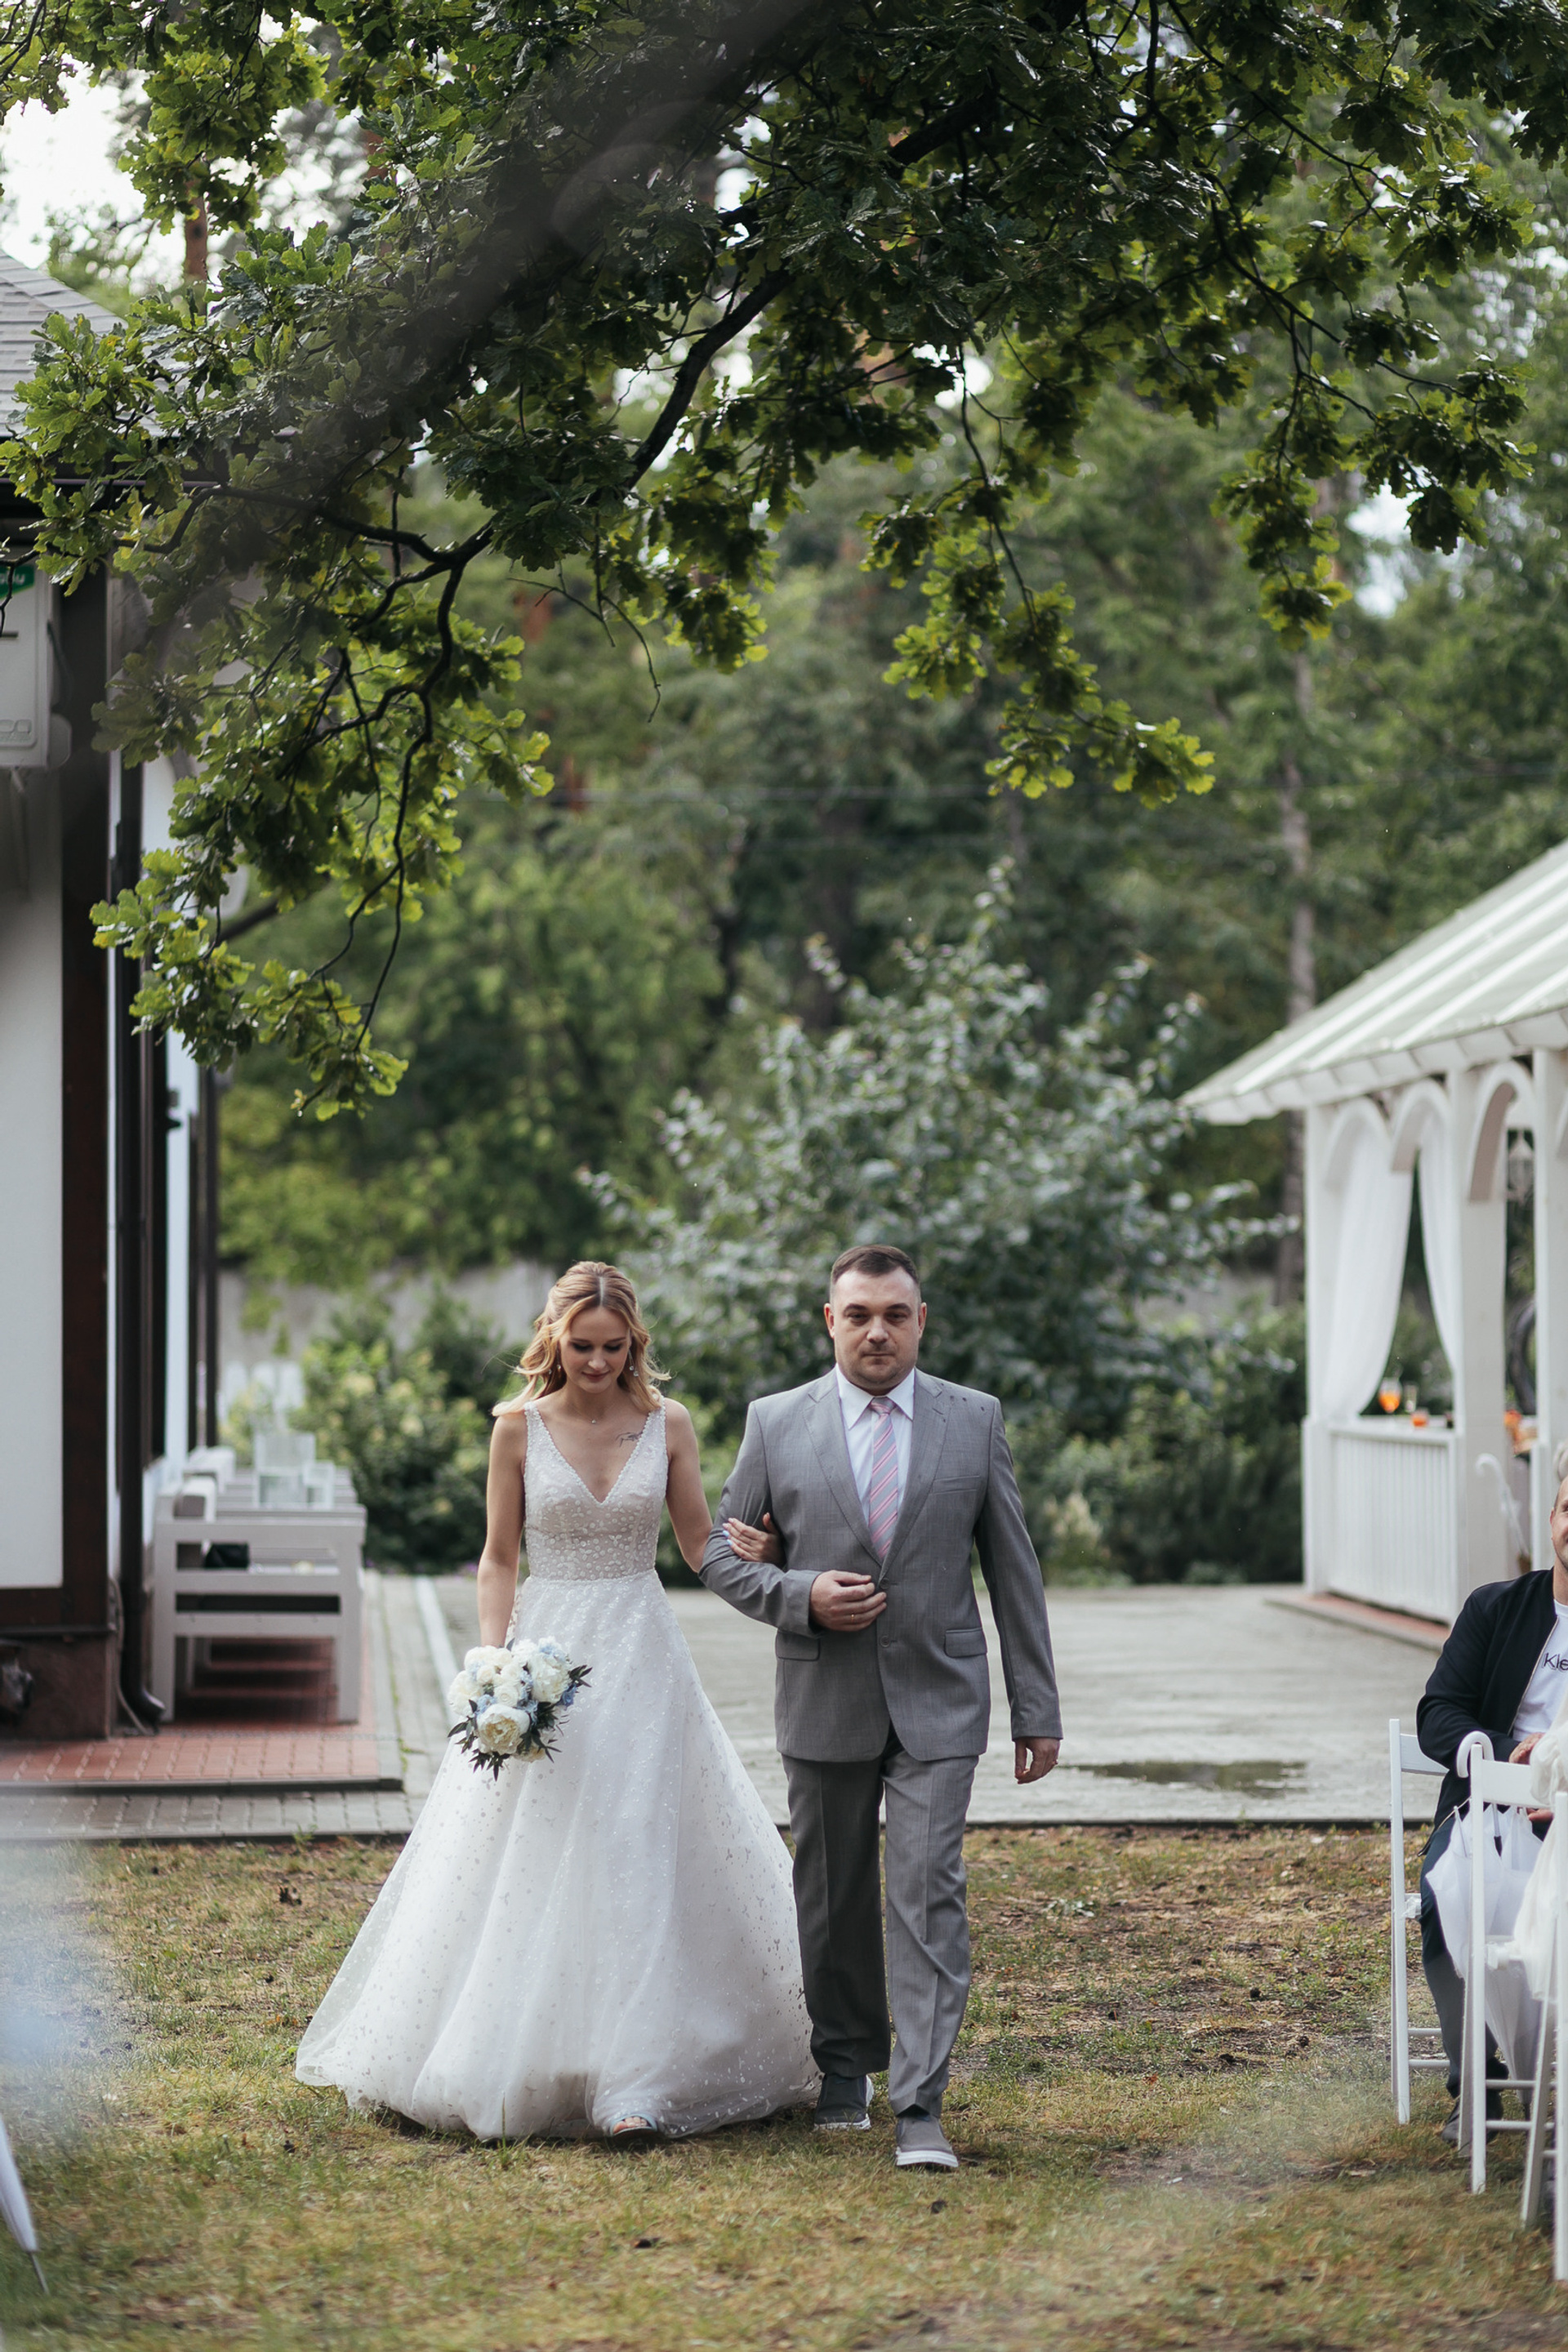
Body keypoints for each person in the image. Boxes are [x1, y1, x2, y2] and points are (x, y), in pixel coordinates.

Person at [296, 1261, 817, 2142]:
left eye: (614, 1348)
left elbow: (698, 1546)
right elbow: (499, 1556)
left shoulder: (670, 1424)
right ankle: (516, 2047)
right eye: (582, 1346)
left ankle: (639, 2080)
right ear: (555, 1340)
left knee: (641, 1839)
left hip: (644, 1652)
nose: (598, 1362)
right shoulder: (517, 1428)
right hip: (547, 1649)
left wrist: (765, 1555)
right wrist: (495, 1663)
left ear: (634, 1344)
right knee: (536, 1841)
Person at [702, 1243, 1062, 2172]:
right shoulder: (776, 1424)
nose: (876, 1331)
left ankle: (921, 2105)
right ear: (831, 1321)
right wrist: (802, 1593)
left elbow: (1014, 1573)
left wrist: (1037, 1707)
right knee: (832, 1894)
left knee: (927, 1890)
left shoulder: (972, 1422)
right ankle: (846, 2067)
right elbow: (720, 1556)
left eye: (894, 1315)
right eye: (858, 1314)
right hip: (822, 1688)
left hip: (942, 1699)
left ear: (920, 1321)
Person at [1414, 1469, 1568, 2139]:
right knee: (1448, 1893)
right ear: (1553, 1515)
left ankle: (1549, 2082)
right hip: (1492, 1812)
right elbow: (1438, 1712)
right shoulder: (1497, 1608)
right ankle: (1474, 2081)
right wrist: (1509, 1753)